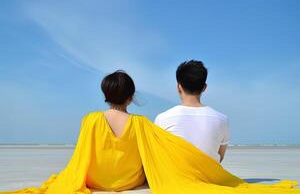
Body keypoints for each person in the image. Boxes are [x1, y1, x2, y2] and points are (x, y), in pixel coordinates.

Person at [1, 70, 299, 194]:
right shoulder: (142, 123)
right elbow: (170, 151)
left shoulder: (90, 119)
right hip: (130, 182)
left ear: (105, 94)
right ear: (131, 97)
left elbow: (81, 157)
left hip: (97, 181)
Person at [155, 60, 229, 162]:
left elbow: (160, 155)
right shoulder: (222, 119)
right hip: (209, 177)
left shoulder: (163, 118)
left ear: (178, 87)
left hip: (176, 177)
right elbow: (219, 157)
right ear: (204, 87)